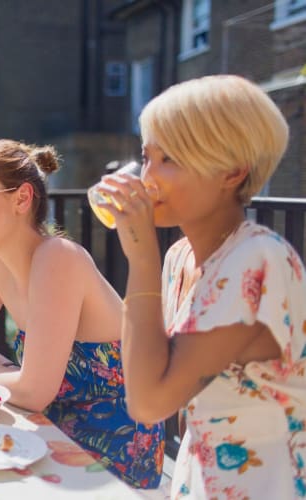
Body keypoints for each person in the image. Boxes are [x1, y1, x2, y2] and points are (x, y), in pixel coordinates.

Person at [95, 74, 305, 497]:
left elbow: (149, 404)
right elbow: (152, 381)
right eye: (146, 156)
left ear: (232, 172)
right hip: (206, 478)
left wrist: (140, 258)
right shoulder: (179, 258)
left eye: (168, 158)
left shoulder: (258, 260)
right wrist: (150, 260)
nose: (148, 177)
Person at [0, 138, 165, 488]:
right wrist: (7, 375)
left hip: (111, 458)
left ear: (21, 198)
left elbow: (32, 391)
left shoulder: (59, 257)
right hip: (49, 435)